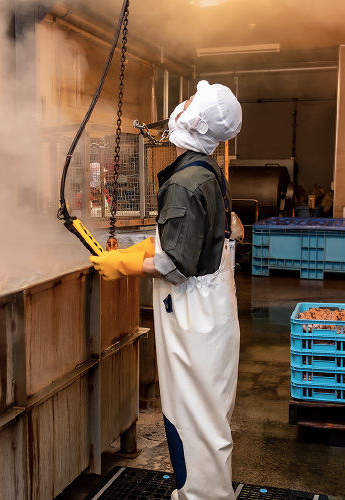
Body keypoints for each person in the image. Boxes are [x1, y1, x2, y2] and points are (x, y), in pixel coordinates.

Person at [89, 80, 242, 500]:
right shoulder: (208, 172)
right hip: (214, 312)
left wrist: (121, 264)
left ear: (193, 120)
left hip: (193, 316)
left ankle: (201, 497)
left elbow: (175, 265)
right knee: (208, 415)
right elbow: (195, 238)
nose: (182, 104)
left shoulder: (184, 181)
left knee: (190, 417)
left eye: (190, 101)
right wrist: (147, 246)